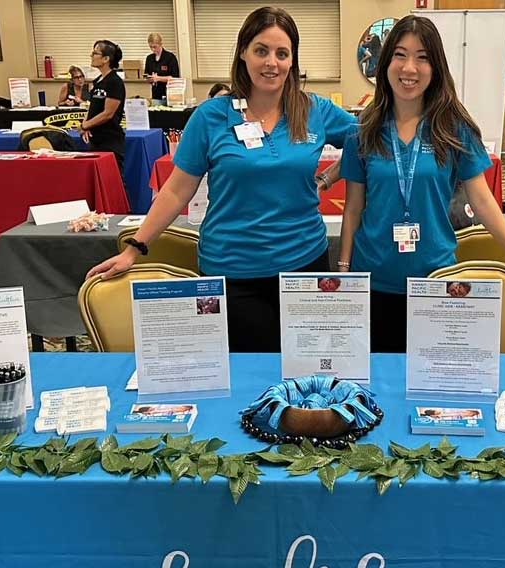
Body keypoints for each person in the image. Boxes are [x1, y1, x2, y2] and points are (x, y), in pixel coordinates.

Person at [87, 7, 356, 353]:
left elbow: (370, 139)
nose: (271, 62)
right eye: (261, 50)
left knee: (303, 375)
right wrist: (134, 248)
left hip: (304, 266)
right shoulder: (212, 117)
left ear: (292, 61)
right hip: (233, 272)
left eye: (282, 53)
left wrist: (330, 177)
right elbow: (176, 190)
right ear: (243, 52)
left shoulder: (315, 110)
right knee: (243, 381)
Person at [339, 15, 505, 353]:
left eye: (422, 57)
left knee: (433, 383)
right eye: (400, 54)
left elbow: (483, 202)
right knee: (378, 385)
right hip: (374, 282)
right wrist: (344, 272)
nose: (410, 67)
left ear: (435, 67)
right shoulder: (361, 132)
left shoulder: (453, 128)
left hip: (436, 282)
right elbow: (353, 209)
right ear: (385, 62)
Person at [80, 40, 126, 172]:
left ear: (106, 59)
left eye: (95, 53)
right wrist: (86, 123)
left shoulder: (114, 82)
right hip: (96, 139)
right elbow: (92, 107)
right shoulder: (97, 81)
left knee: (113, 178)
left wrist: (85, 125)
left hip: (110, 140)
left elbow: (108, 113)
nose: (91, 55)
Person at [144, 33, 180, 102]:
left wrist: (158, 78)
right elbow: (147, 75)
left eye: (155, 47)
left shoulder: (170, 57)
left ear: (160, 44)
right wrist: (150, 79)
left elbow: (174, 78)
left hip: (169, 94)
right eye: (151, 47)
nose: (153, 49)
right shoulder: (149, 58)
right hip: (155, 94)